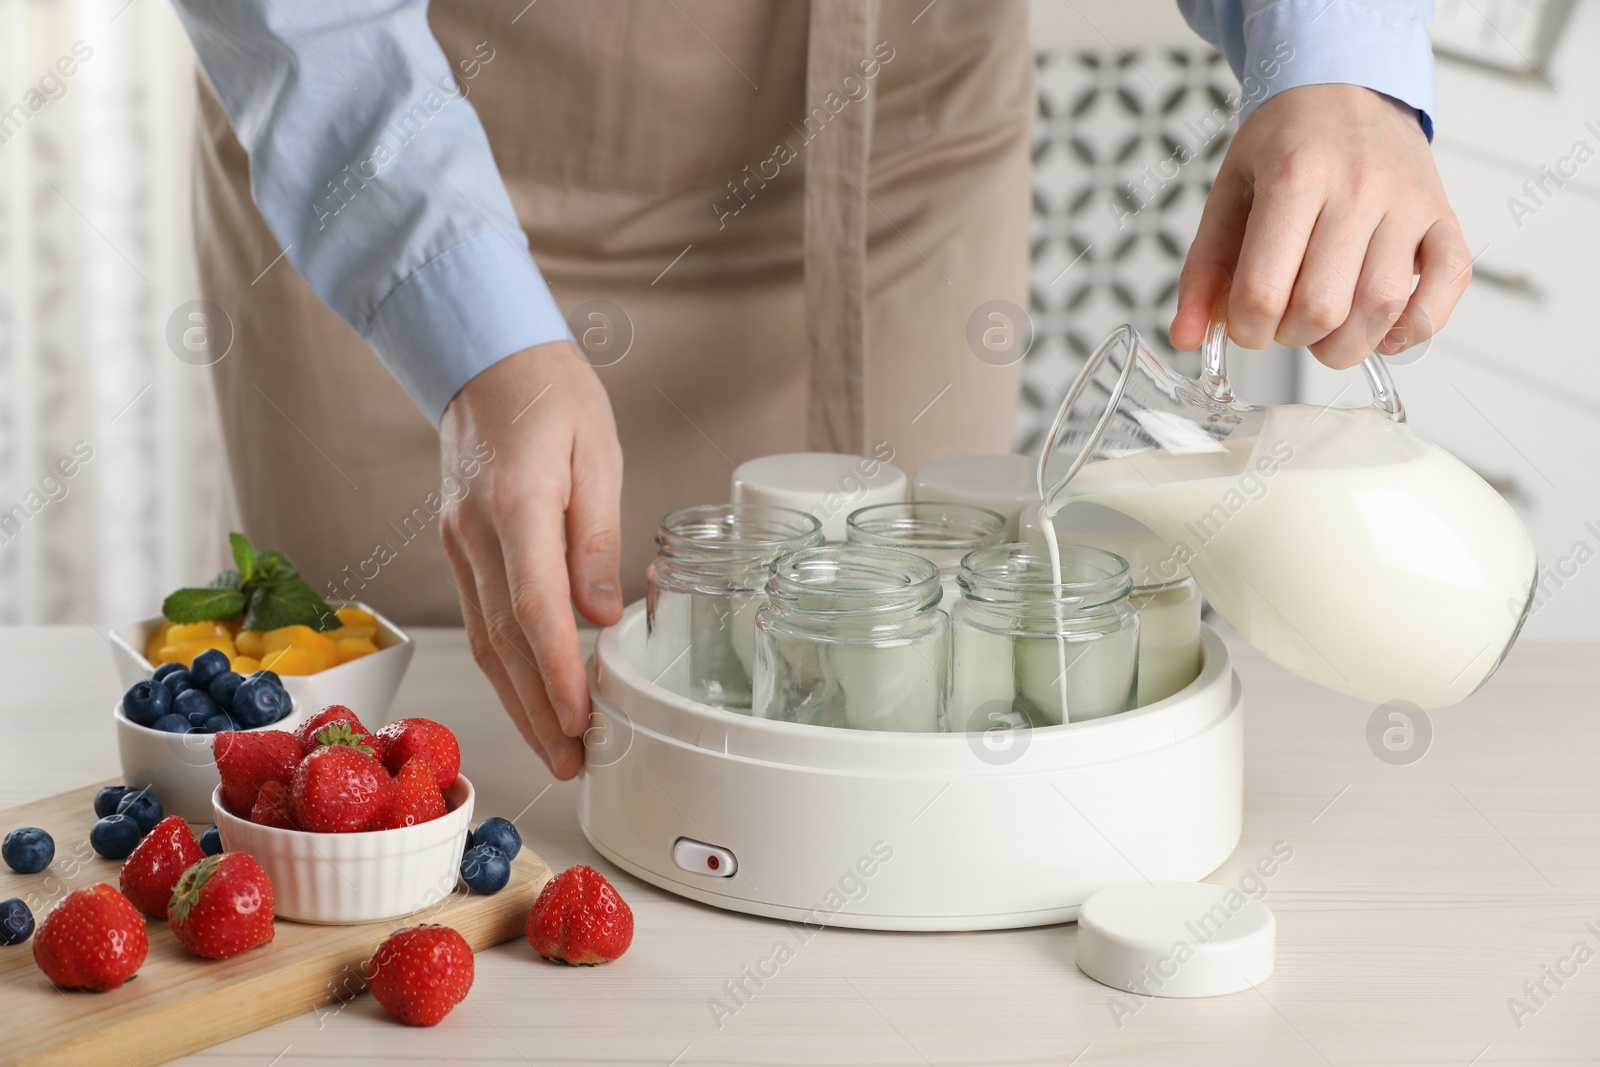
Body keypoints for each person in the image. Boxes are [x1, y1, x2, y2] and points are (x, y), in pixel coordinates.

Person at [171, 1, 1467, 779]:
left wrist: (1338, 61)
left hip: (892, 135)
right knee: (425, 755)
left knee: (888, 739)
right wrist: (466, 329)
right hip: (406, 134)